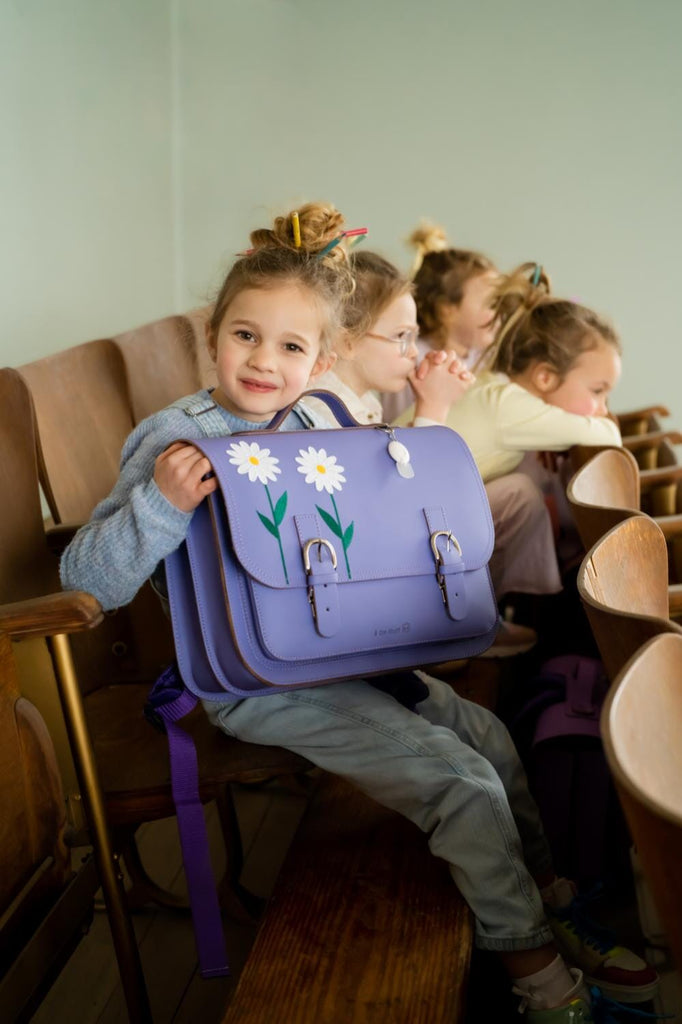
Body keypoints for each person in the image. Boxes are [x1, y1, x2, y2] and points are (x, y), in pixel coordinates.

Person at [60, 204, 656, 1022]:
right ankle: (540, 978)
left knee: (488, 737)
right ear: (213, 334)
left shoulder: (316, 418)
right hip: (259, 682)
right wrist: (159, 507)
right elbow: (86, 579)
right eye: (244, 335)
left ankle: (548, 903)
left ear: (325, 356)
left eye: (292, 346)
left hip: (343, 654)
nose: (264, 361)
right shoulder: (174, 438)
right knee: (462, 782)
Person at [381, 221, 498, 423]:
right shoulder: (414, 359)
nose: (500, 313)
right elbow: (400, 422)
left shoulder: (484, 361)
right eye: (491, 303)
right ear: (447, 310)